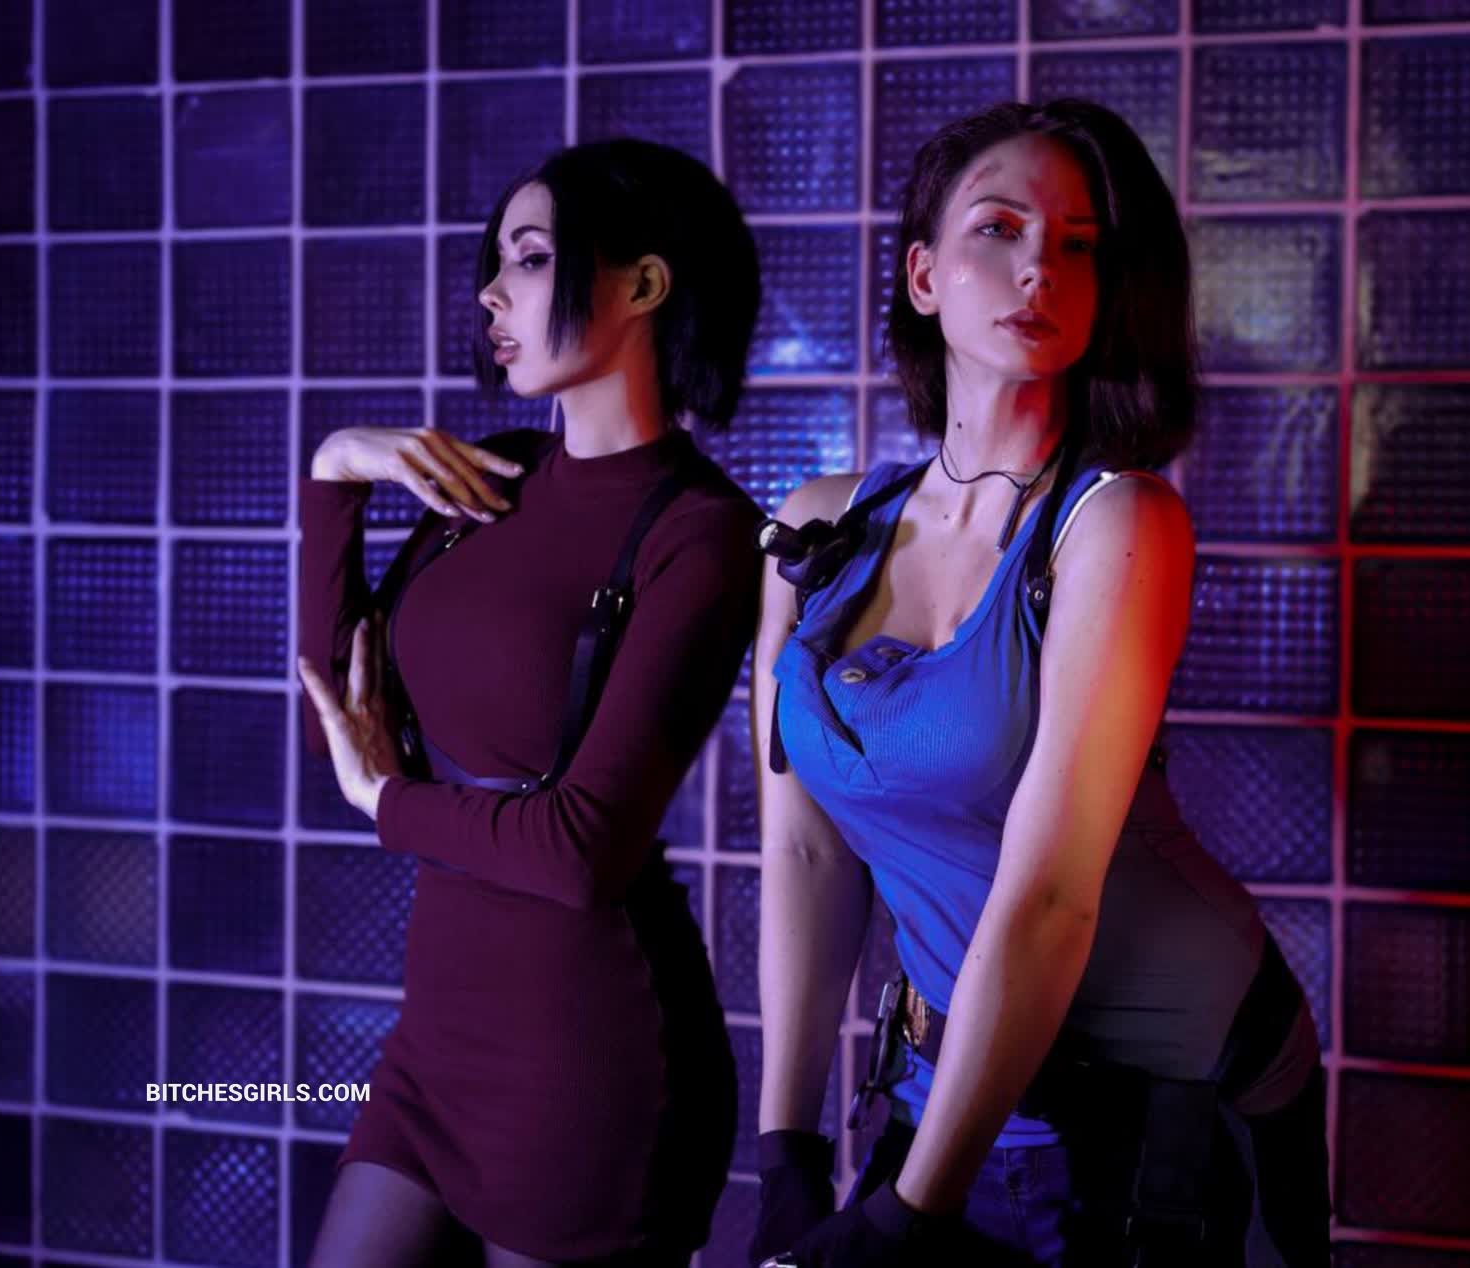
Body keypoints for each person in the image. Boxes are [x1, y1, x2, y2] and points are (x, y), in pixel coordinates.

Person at [747, 100, 1332, 1267]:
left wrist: (904, 1215)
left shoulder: (1119, 521)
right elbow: (805, 851)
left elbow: (1052, 893)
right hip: (944, 1081)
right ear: (923, 275)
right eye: (999, 228)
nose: (1038, 268)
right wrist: (786, 1150)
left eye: (1078, 244)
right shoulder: (817, 526)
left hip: (1155, 1104)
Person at [294, 138, 762, 1268]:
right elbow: (339, 710)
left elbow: (580, 850)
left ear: (642, 284)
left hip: (587, 1061)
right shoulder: (484, 479)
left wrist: (386, 801)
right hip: (433, 1042)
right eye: (496, 262)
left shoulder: (701, 533)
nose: (491, 294)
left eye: (533, 257)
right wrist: (335, 475)